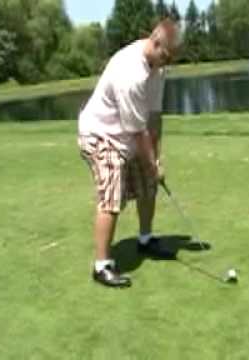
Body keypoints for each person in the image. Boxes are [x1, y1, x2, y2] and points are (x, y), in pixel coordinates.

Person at [77, 19, 180, 287]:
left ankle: (145, 240)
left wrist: (155, 160)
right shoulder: (130, 72)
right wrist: (151, 162)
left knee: (148, 184)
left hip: (127, 134)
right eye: (165, 56)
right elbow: (137, 131)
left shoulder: (158, 68)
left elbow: (154, 117)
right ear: (155, 43)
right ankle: (101, 266)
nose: (167, 63)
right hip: (100, 134)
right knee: (112, 194)